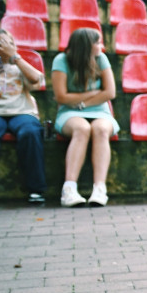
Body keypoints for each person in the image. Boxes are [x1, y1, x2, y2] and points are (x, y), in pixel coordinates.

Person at [51, 28, 118, 207]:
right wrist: (93, 93)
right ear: (86, 46)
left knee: (101, 129)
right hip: (69, 112)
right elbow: (61, 97)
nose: (101, 46)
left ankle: (99, 188)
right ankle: (69, 189)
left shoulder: (101, 58)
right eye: (98, 43)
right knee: (82, 129)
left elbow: (110, 92)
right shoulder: (61, 60)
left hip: (99, 110)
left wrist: (82, 102)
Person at [0, 28, 47, 205]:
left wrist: (15, 57)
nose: (7, 47)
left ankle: (36, 189)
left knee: (30, 133)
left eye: (10, 43)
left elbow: (37, 79)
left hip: (22, 112)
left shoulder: (19, 65)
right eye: (2, 43)